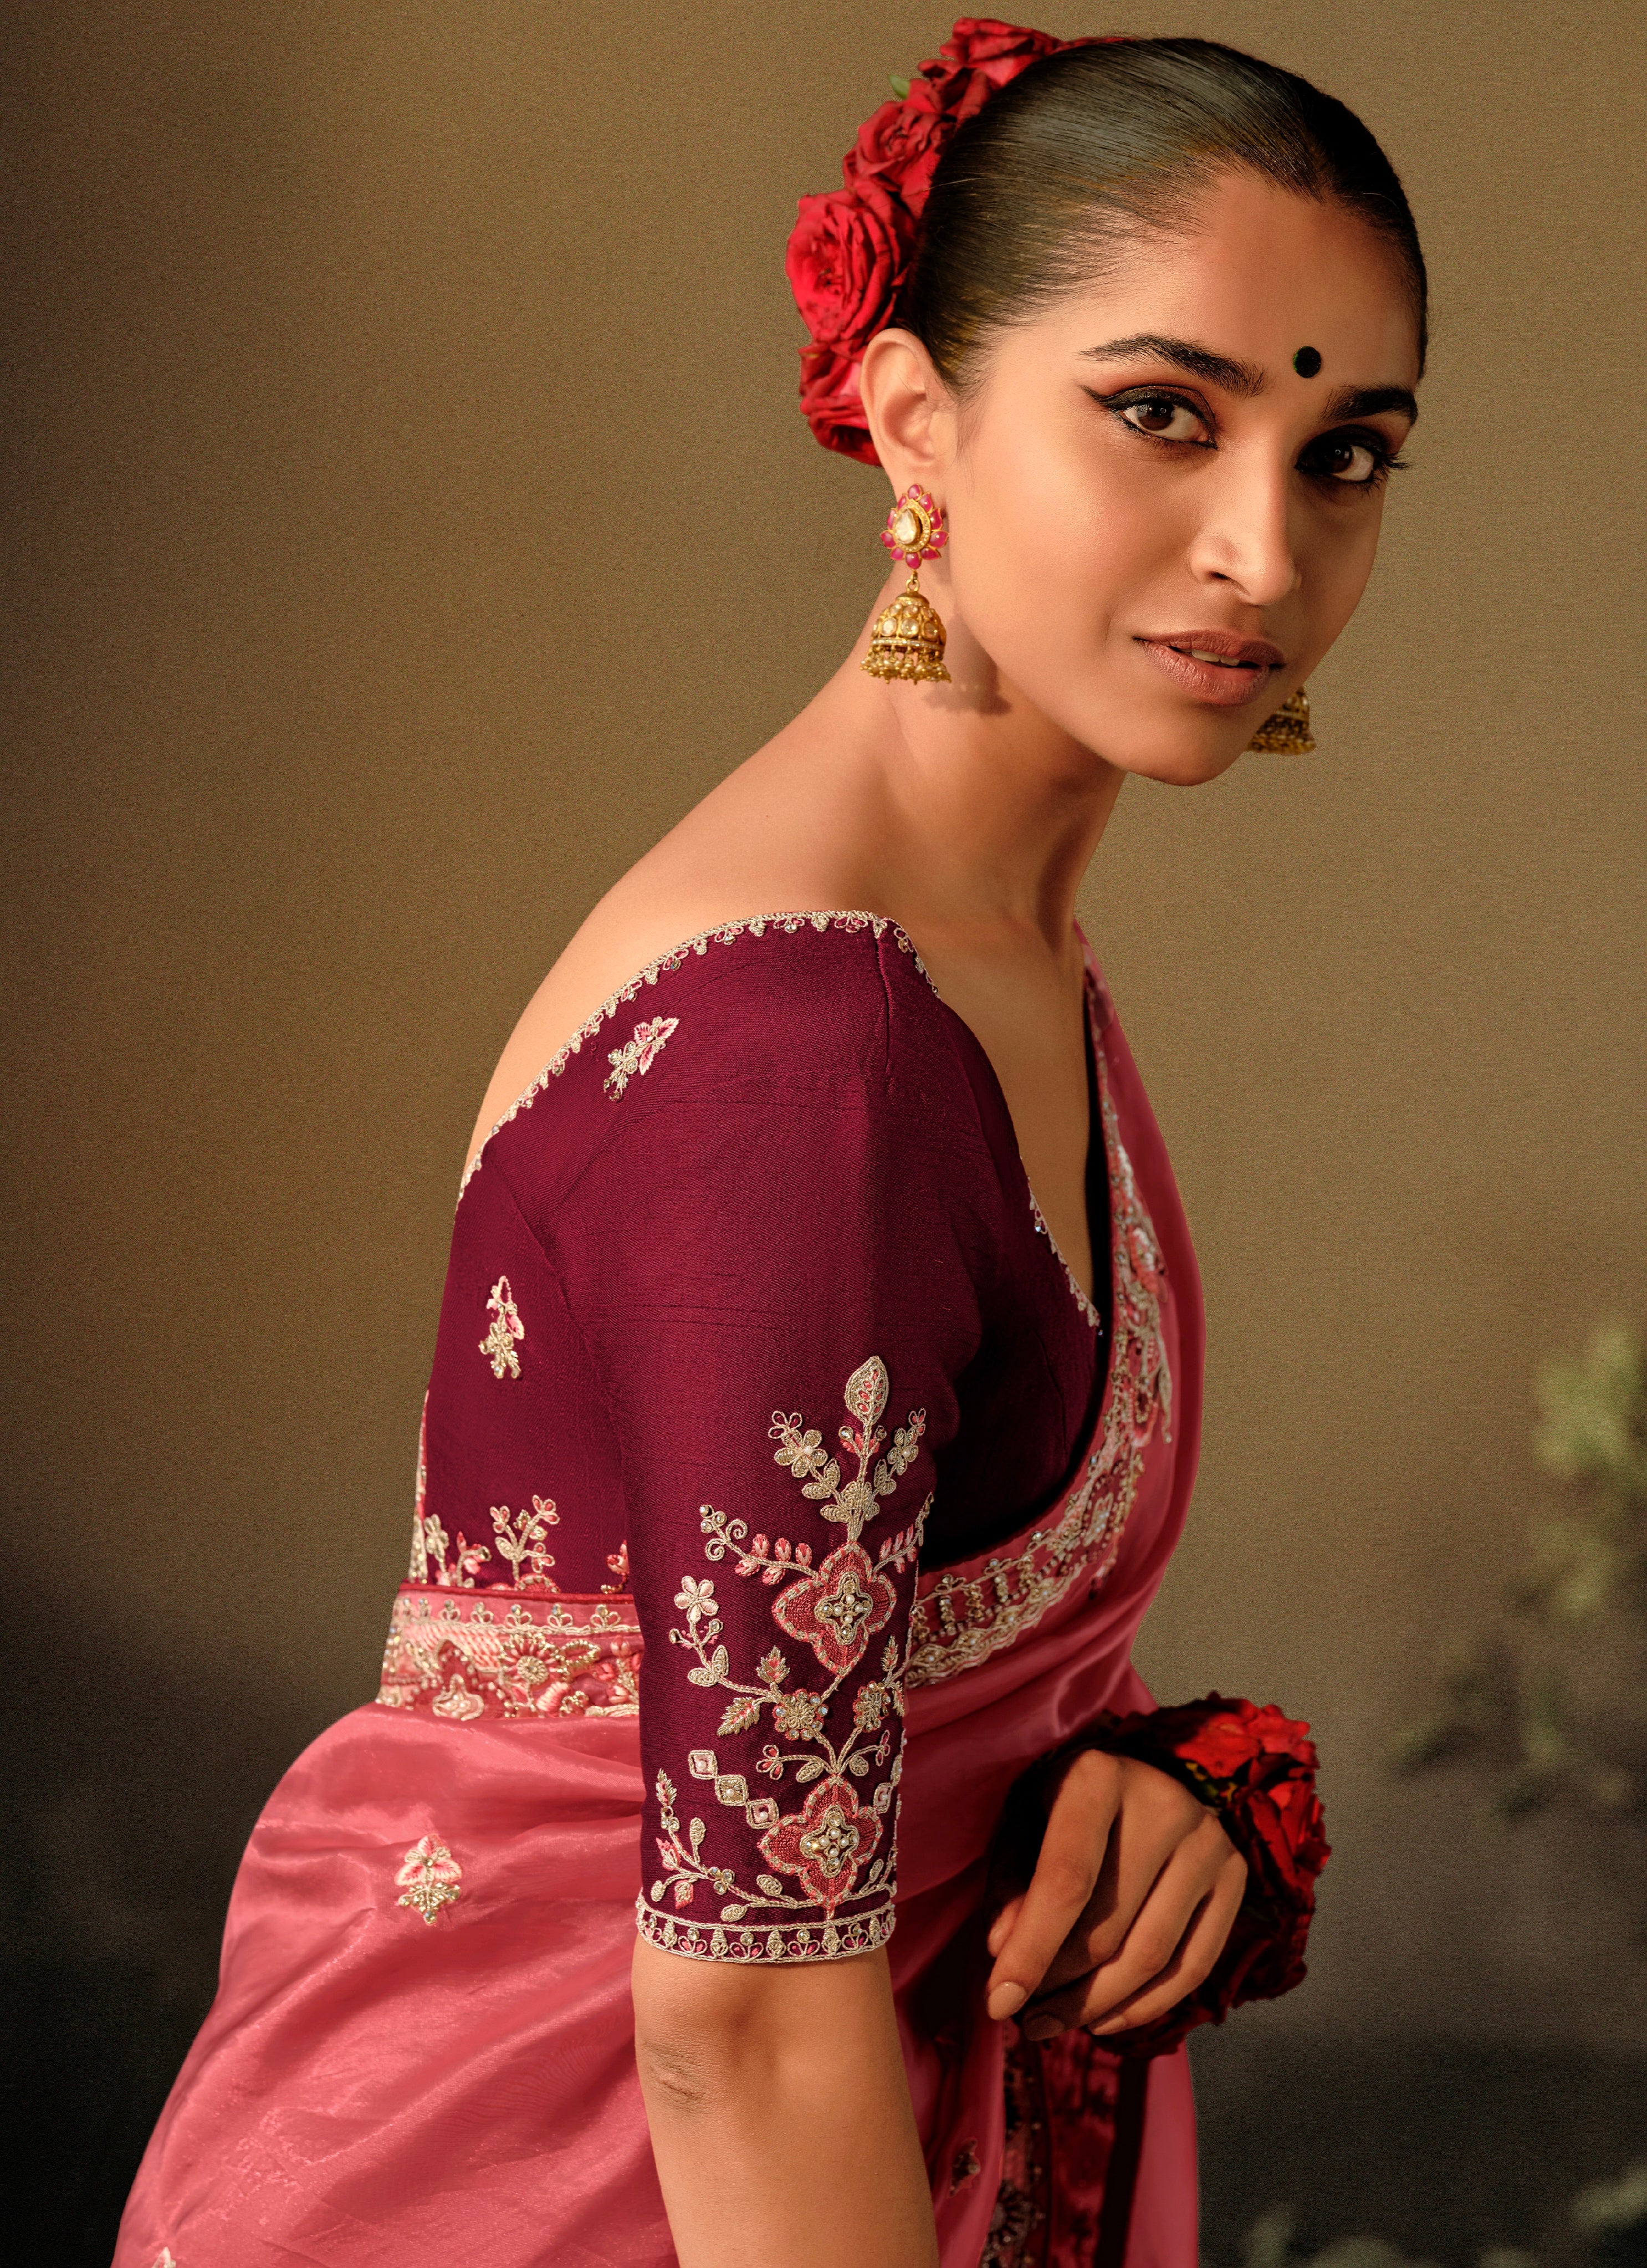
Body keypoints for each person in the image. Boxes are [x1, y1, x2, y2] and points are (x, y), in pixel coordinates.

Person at [116, 23, 1422, 2268]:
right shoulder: (803, 1050)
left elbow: (919, 1671)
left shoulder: (993, 943)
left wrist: (1149, 1790)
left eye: (1344, 451)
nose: (1260, 545)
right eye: (1161, 412)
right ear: (917, 420)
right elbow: (734, 2002)